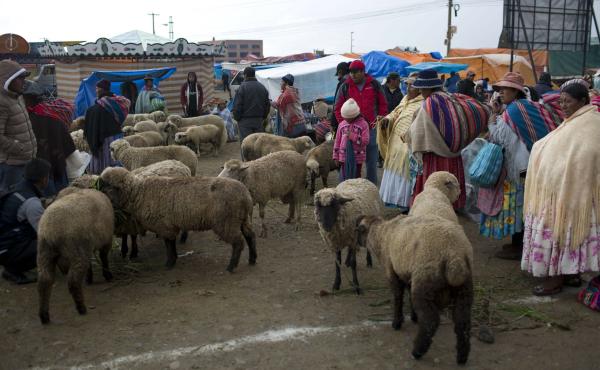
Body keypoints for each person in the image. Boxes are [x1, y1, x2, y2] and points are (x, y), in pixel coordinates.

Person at [521, 79, 600, 296]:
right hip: (564, 189)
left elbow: (587, 154)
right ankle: (570, 272)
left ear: (583, 101)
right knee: (569, 233)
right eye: (561, 101)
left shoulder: (591, 123)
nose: (563, 106)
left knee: (563, 231)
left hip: (576, 192)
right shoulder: (573, 121)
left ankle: (556, 278)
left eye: (568, 101)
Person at [479, 72, 559, 260]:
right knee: (524, 204)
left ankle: (520, 245)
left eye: (506, 89)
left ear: (516, 91)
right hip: (533, 164)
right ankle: (519, 243)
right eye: (500, 89)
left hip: (521, 168)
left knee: (520, 206)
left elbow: (499, 137)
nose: (501, 92)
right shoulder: (527, 106)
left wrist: (492, 117)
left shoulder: (514, 111)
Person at [407, 69, 489, 210]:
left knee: (435, 188)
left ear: (427, 87)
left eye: (421, 88)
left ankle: (431, 209)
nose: (420, 91)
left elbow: (417, 132)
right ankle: (452, 208)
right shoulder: (450, 97)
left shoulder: (429, 104)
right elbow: (478, 110)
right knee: (450, 185)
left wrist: (407, 136)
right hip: (453, 157)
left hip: (434, 157)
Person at [334, 60, 387, 185]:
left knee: (371, 159)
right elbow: (337, 107)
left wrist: (380, 121)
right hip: (350, 131)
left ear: (363, 72)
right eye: (351, 72)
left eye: (356, 72)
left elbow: (383, 104)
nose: (353, 75)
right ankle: (349, 185)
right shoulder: (345, 86)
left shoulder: (374, 84)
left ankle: (371, 186)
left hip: (371, 128)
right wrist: (344, 124)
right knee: (350, 159)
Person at [0, 158, 50, 284]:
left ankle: (12, 266)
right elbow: (45, 233)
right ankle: (14, 269)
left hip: (5, 244)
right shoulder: (32, 202)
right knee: (50, 244)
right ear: (44, 179)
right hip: (6, 249)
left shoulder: (16, 188)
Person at [377, 73, 423, 210]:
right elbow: (395, 113)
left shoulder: (423, 103)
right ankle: (394, 200)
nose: (408, 88)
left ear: (420, 88)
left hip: (409, 144)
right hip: (395, 141)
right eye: (407, 85)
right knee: (394, 168)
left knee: (405, 166)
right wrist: (386, 119)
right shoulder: (405, 99)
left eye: (411, 85)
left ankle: (406, 204)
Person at [22, 80, 76, 196]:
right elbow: (69, 145)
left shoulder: (27, 120)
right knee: (62, 198)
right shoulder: (53, 114)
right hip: (59, 166)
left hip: (40, 174)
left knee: (47, 202)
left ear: (28, 98)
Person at [0, 60, 37, 192]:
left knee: (23, 198)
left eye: (23, 77)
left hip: (24, 160)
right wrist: (19, 147)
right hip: (11, 164)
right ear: (7, 80)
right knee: (11, 200)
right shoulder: (2, 102)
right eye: (19, 78)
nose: (24, 81)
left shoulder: (17, 97)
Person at [84, 79, 130, 174]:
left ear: (101, 89)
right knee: (115, 164)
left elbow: (88, 132)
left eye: (96, 88)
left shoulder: (92, 110)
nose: (95, 91)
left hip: (103, 142)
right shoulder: (118, 105)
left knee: (103, 167)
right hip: (116, 139)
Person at [333, 98, 369, 181]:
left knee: (356, 178)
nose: (345, 119)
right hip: (343, 157)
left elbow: (365, 141)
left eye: (347, 118)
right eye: (344, 117)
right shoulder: (342, 125)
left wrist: (353, 136)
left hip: (357, 158)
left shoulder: (363, 124)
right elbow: (337, 141)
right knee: (345, 178)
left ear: (354, 116)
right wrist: (335, 156)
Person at [232, 67, 270, 143]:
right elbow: (267, 105)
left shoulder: (242, 87)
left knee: (246, 146)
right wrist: (263, 117)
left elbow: (237, 106)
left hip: (245, 122)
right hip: (259, 121)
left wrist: (237, 118)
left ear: (245, 75)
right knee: (257, 146)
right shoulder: (262, 87)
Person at [271, 74, 306, 138]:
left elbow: (278, 105)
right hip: (301, 123)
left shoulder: (286, 94)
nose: (280, 84)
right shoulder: (295, 91)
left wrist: (270, 102)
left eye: (282, 82)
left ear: (286, 83)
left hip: (293, 126)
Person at [330, 62, 350, 134]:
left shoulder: (342, 83)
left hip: (344, 118)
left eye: (338, 74)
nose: (338, 77)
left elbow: (337, 104)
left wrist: (333, 124)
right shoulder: (355, 81)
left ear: (340, 72)